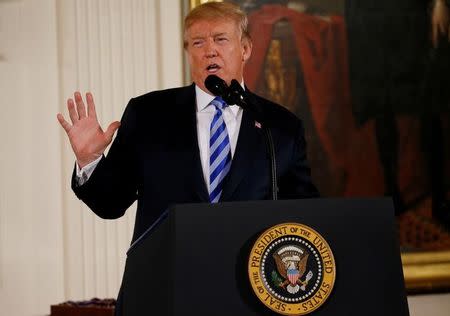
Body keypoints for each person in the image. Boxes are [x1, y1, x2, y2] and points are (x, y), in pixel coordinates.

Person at [57, 3, 318, 312]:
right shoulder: (149, 114)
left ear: (245, 48)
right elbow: (110, 203)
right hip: (163, 291)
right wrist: (90, 161)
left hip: (249, 294)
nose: (209, 51)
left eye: (220, 39)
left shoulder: (280, 126)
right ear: (188, 51)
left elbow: (305, 215)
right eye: (198, 42)